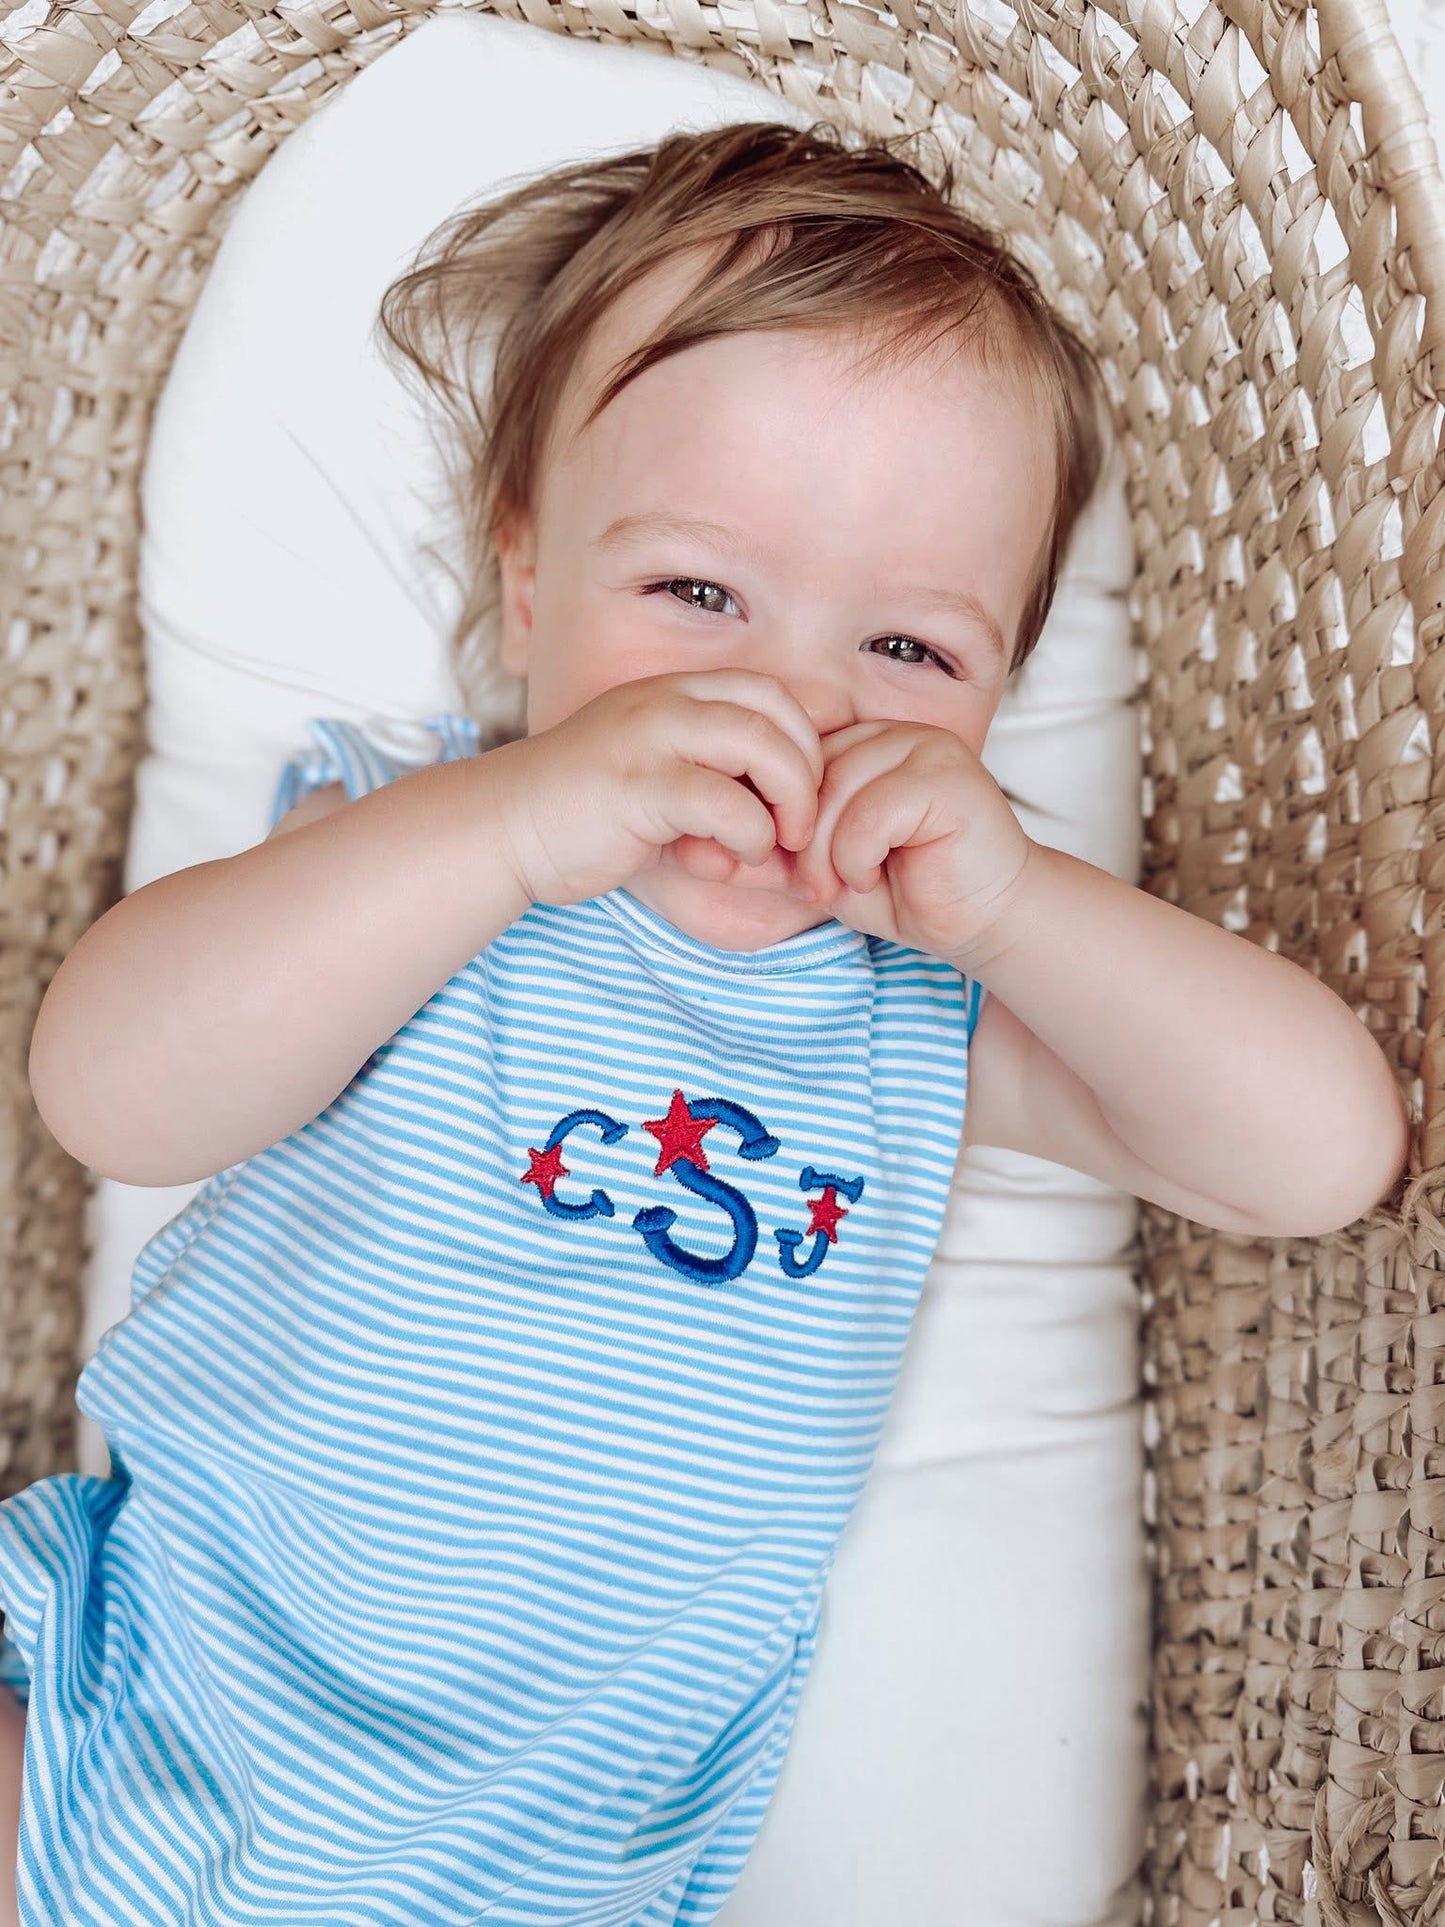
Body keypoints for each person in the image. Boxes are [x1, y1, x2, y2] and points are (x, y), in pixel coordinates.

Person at [2, 121, 1409, 1927]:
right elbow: (106, 1092)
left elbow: (1319, 1156)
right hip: (141, 1697)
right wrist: (508, 827)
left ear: (996, 686)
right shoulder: (416, 861)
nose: (789, 703)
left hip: (526, 1867)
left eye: (908, 653)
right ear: (526, 583)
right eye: (695, 598)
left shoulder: (915, 993)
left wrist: (1020, 907)